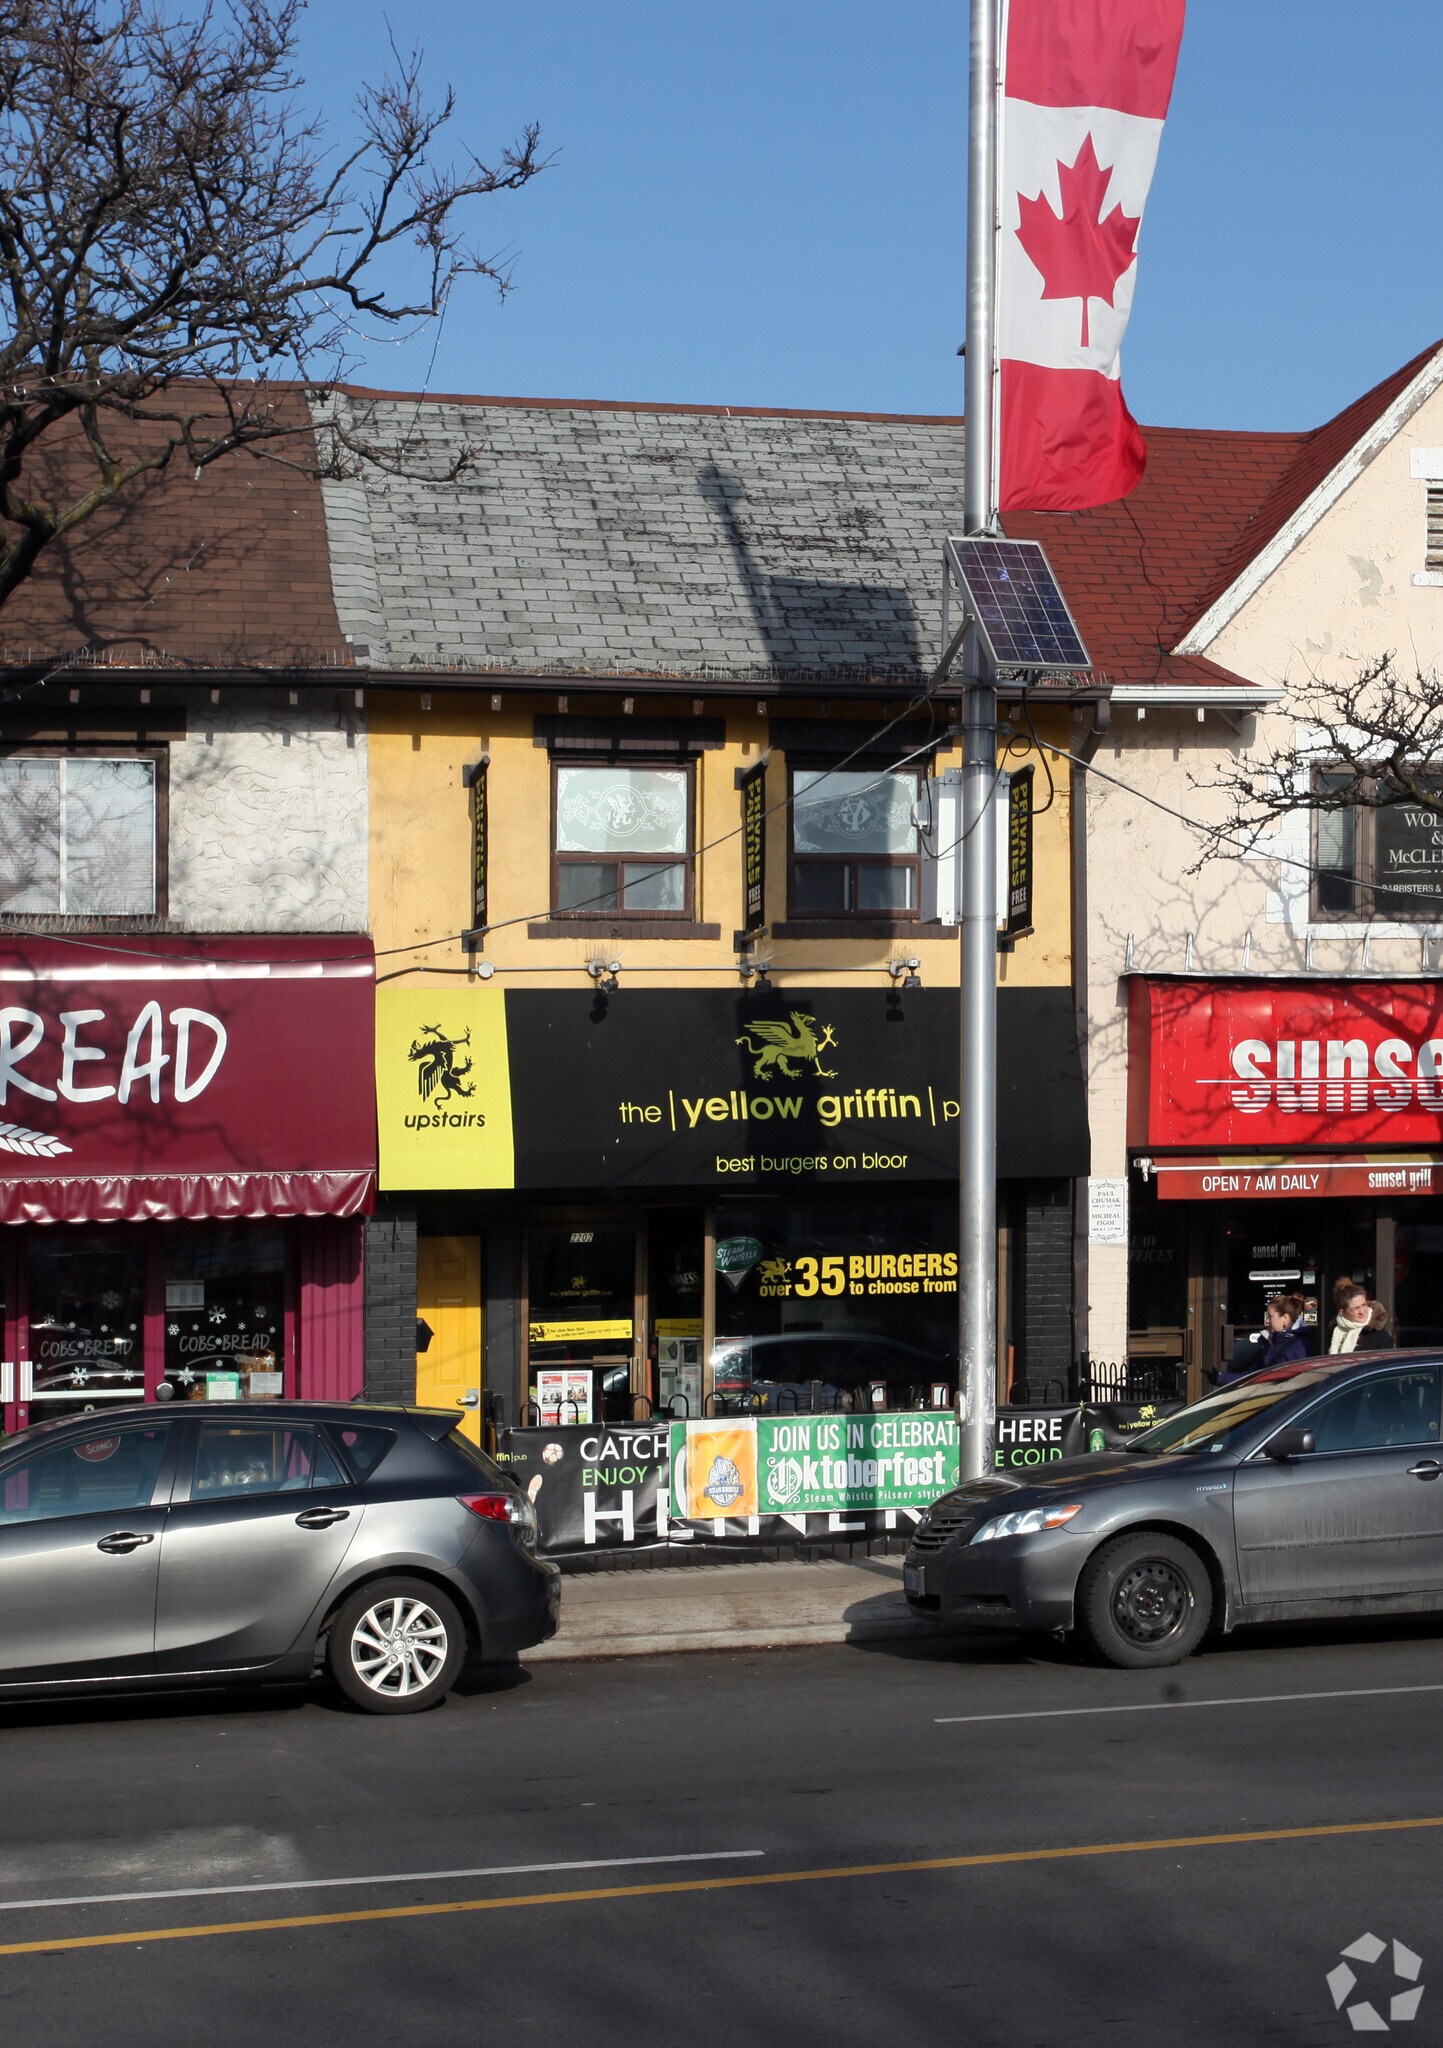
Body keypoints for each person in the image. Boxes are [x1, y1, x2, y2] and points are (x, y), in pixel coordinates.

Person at [1330, 1284, 1394, 1353]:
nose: (1362, 1311)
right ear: (1342, 1312)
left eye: (1364, 1305)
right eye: (1356, 1308)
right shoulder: (1335, 1331)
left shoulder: (1380, 1336)